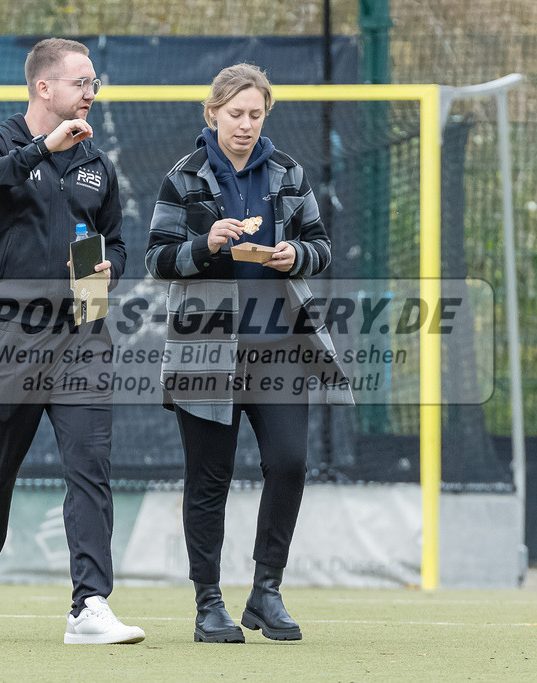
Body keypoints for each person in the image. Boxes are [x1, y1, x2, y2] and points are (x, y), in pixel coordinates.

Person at [146, 63, 354, 643]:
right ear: (212, 113)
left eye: (255, 114)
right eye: (235, 113)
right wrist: (205, 245)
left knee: (289, 464)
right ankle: (208, 604)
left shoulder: (288, 171)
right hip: (205, 351)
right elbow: (157, 258)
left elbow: (321, 246)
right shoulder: (182, 177)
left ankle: (267, 592)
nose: (245, 124)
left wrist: (296, 255)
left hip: (280, 348)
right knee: (208, 478)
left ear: (266, 115)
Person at [0, 37, 144, 645]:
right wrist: (41, 149)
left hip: (84, 333)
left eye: (94, 84)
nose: (91, 93)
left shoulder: (97, 163)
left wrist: (110, 266)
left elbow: (116, 242)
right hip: (10, 336)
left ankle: (90, 606)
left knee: (90, 469)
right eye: (81, 83)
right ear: (44, 87)